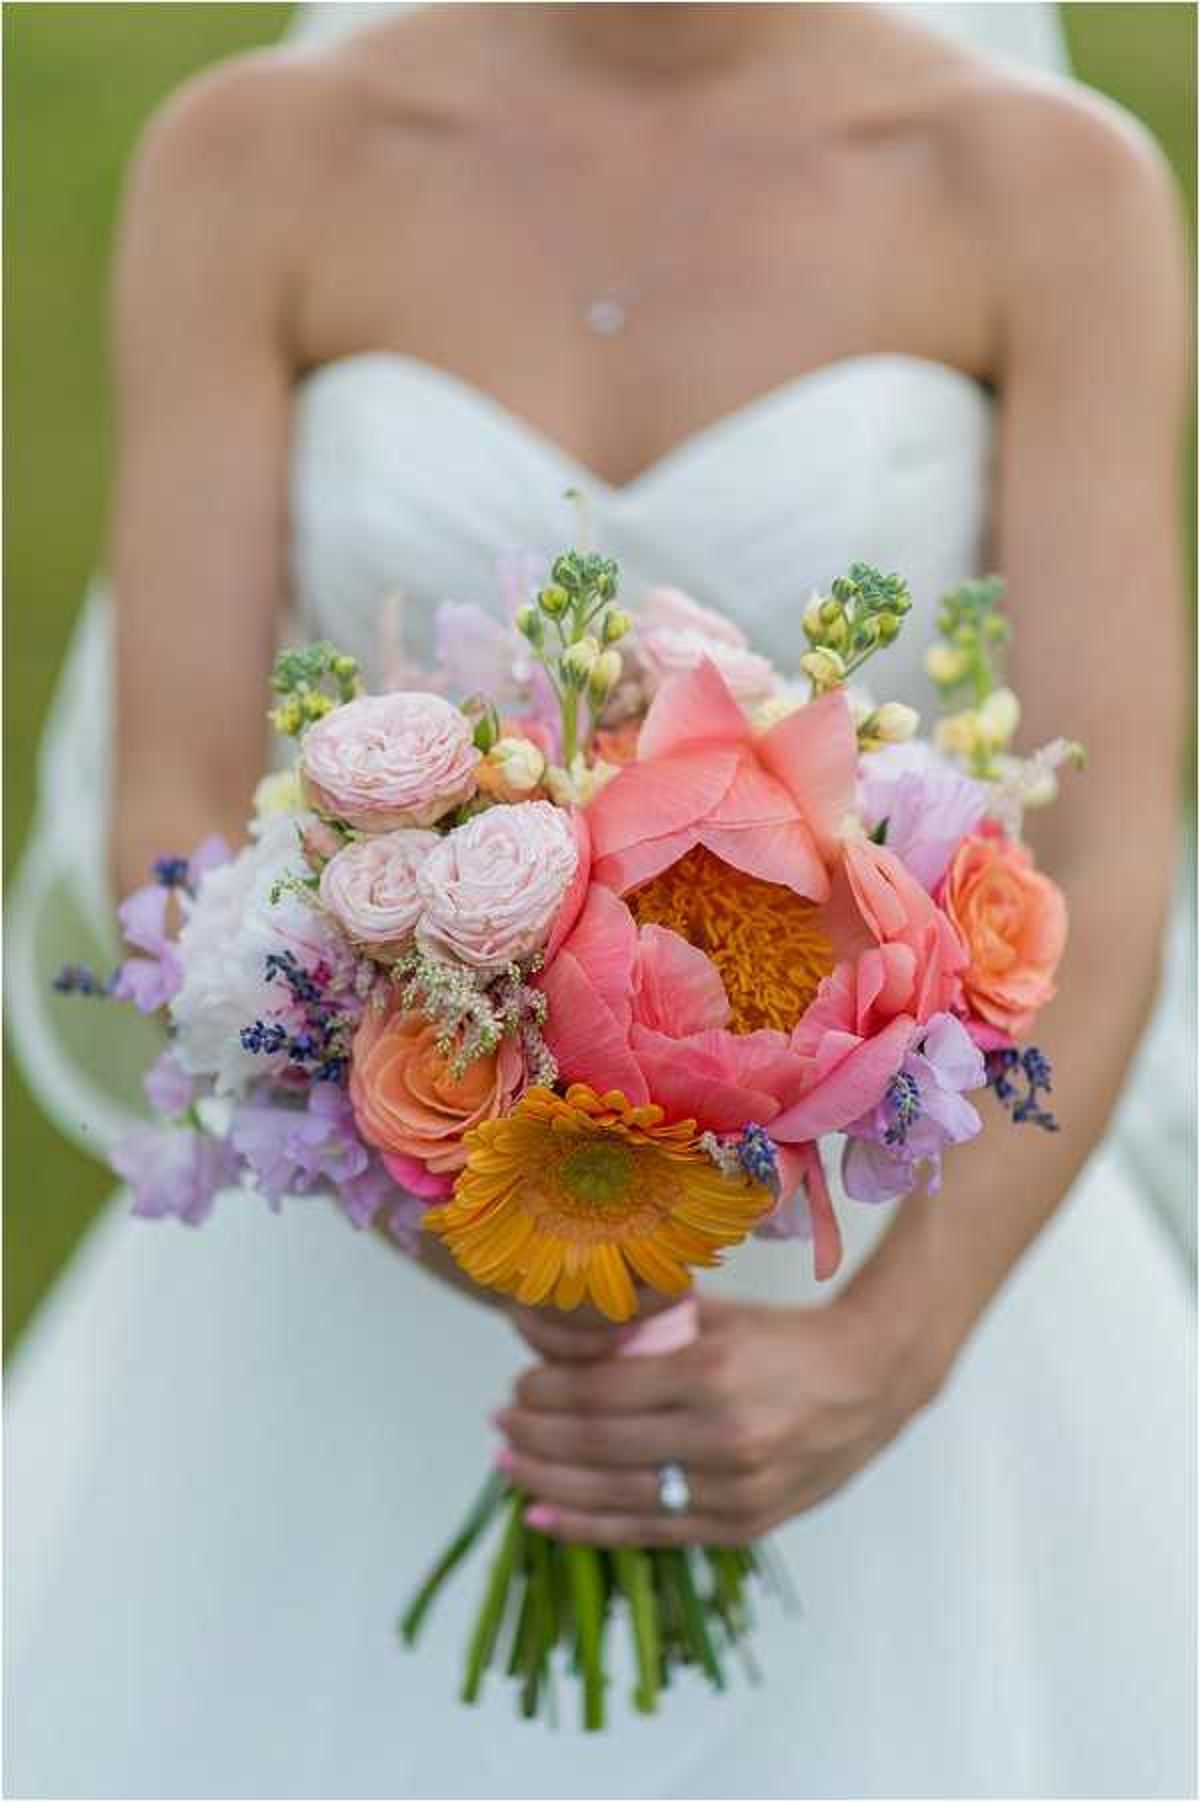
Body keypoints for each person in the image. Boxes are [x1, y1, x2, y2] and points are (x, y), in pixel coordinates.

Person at [5, 5, 1194, 1797]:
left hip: (868, 1244)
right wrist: (469, 1212)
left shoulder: (1044, 188)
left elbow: (1104, 850)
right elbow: (171, 795)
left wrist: (888, 1349)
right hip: (383, 1238)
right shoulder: (251, 163)